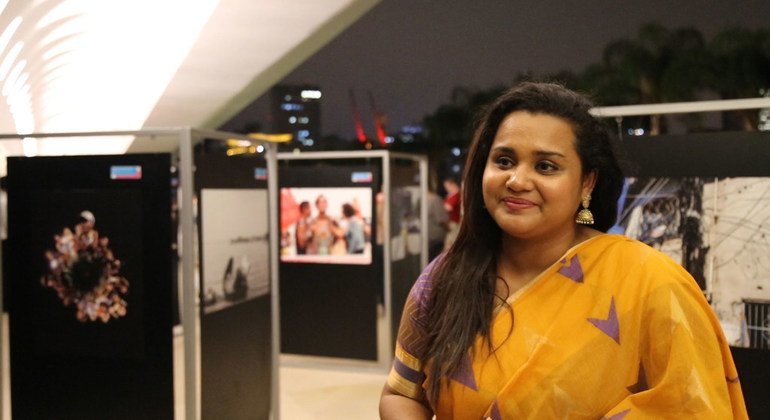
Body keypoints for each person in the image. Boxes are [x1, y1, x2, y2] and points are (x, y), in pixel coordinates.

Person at [379, 82, 747, 419]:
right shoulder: (447, 277)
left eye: (546, 166)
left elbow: (694, 408)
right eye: (504, 160)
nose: (518, 181)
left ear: (587, 182)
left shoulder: (651, 283)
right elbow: (401, 393)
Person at [426, 188, 449, 261]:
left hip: (432, 238)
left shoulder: (431, 200)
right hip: (434, 238)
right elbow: (442, 219)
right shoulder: (435, 199)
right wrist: (449, 230)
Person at [442, 175, 461, 250]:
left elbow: (449, 208)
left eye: (447, 186)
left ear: (452, 184)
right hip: (450, 223)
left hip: (455, 223)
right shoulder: (450, 195)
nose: (446, 188)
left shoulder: (457, 195)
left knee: (450, 244)